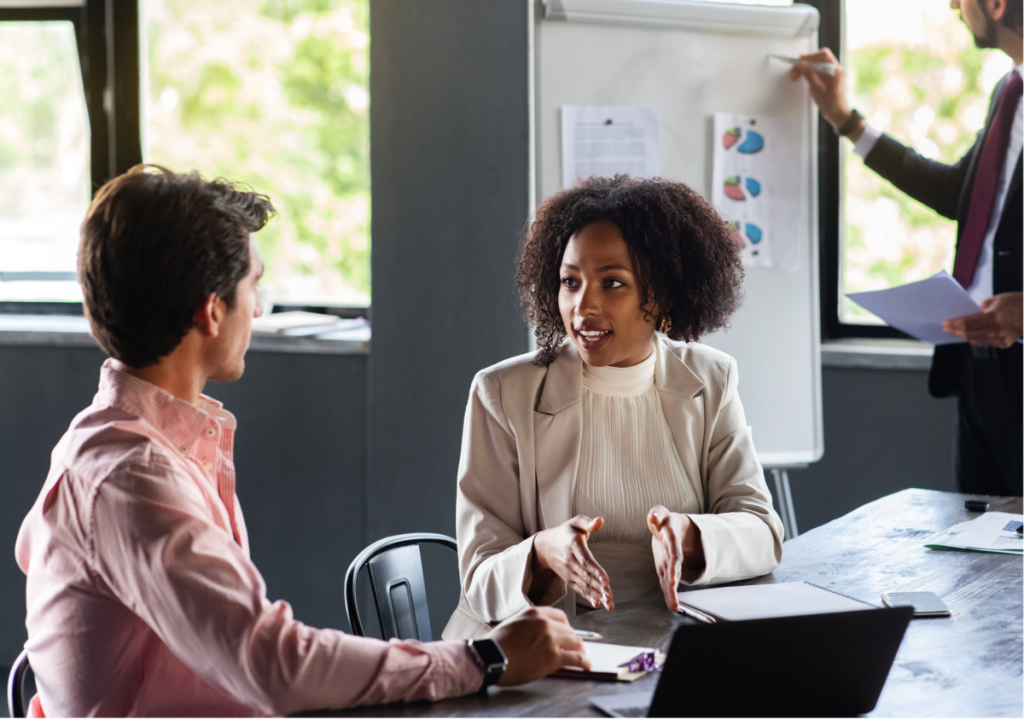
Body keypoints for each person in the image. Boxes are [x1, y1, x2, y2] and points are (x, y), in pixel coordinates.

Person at [14, 165, 588, 718]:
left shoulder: (154, 444)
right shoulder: (132, 475)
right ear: (211, 312)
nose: (259, 308)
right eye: (253, 286)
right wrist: (485, 657)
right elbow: (275, 667)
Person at [442, 175, 784, 640]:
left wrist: (690, 535)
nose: (583, 307)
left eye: (612, 283)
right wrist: (543, 553)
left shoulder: (711, 380)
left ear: (662, 294)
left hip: (675, 639)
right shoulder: (501, 393)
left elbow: (763, 532)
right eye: (570, 281)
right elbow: (479, 581)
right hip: (546, 651)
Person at [790, 0, 1022, 495]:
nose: (956, 7)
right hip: (978, 371)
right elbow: (957, 193)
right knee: (975, 548)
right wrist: (846, 121)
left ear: (997, 5)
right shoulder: (1009, 91)